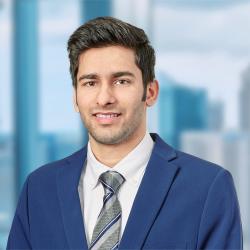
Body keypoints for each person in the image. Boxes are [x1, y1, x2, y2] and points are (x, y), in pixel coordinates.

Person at [7, 16, 242, 250]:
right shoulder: (39, 189)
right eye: (90, 83)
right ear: (75, 97)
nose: (105, 98)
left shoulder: (207, 187)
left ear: (150, 92)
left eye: (121, 81)